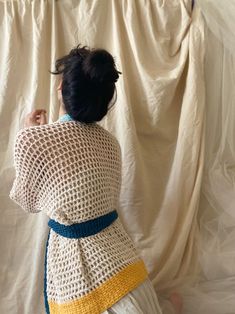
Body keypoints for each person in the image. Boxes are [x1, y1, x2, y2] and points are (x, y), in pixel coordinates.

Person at [9, 44, 182, 314]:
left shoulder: (33, 139)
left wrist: (32, 135)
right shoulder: (111, 143)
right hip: (125, 266)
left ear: (61, 87)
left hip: (76, 269)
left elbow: (28, 202)